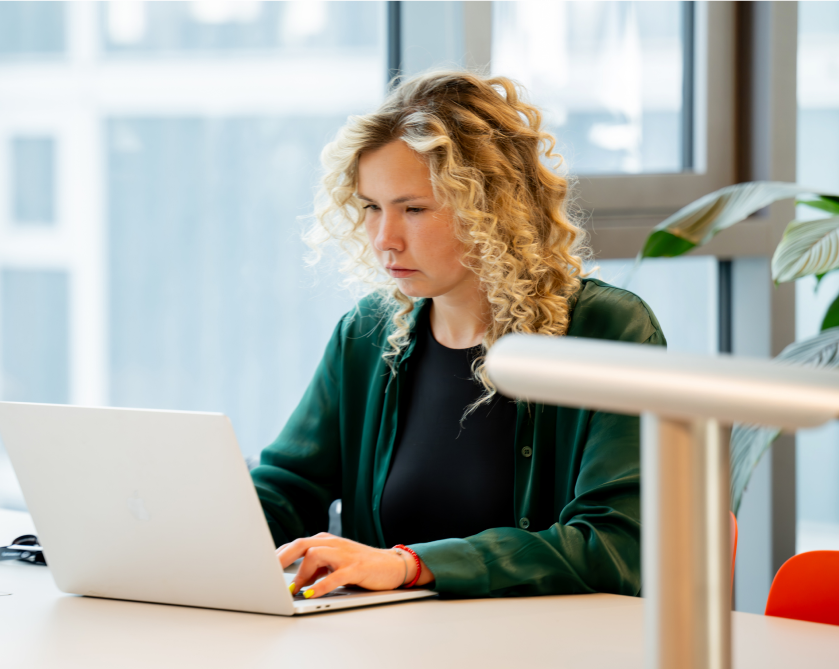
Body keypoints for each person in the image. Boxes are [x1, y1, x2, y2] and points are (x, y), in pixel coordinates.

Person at [251, 71, 665, 600]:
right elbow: (287, 488)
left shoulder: (607, 332)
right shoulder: (368, 334)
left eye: (414, 209)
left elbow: (617, 546)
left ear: (492, 208)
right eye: (372, 207)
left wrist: (410, 566)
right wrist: (194, 532)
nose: (385, 239)